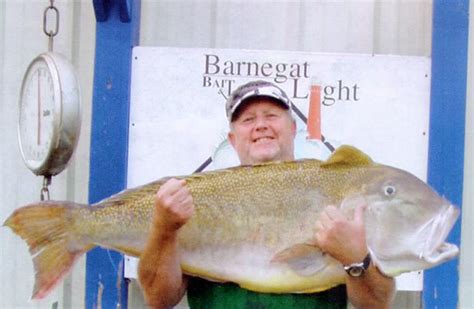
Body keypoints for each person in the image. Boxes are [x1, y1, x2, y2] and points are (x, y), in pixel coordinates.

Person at [138, 80, 395, 308]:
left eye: (271, 115)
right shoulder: (192, 202)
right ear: (232, 138)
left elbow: (376, 304)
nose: (260, 125)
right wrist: (163, 229)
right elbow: (159, 300)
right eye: (248, 120)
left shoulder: (341, 193)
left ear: (294, 128)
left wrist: (355, 258)